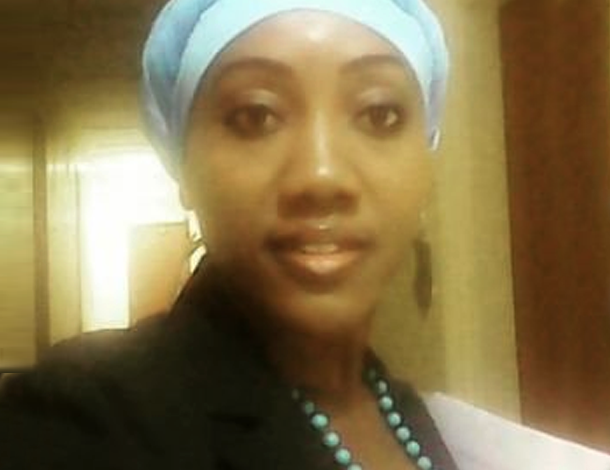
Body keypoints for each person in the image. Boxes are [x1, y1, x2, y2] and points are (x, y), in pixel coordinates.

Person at [0, 1, 456, 469]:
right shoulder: (85, 418)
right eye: (255, 116)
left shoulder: (417, 417)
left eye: (379, 114)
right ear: (185, 167)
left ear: (425, 164)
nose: (321, 176)